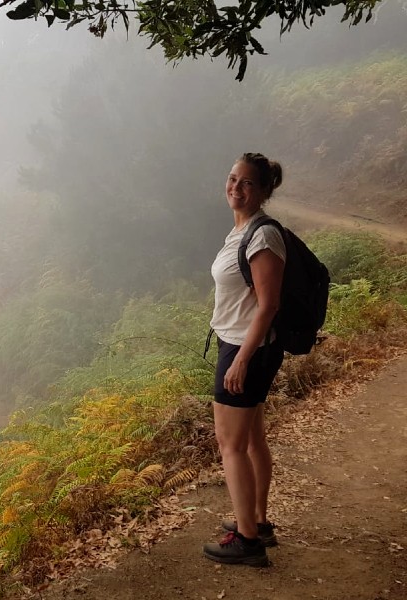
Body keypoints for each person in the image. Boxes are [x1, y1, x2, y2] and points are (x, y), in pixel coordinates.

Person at [202, 152, 286, 566]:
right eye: (233, 178)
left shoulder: (263, 236)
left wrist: (240, 361)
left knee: (229, 444)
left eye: (247, 183)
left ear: (264, 190)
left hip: (245, 348)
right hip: (240, 344)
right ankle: (257, 521)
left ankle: (247, 540)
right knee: (252, 439)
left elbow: (268, 305)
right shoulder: (241, 231)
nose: (236, 187)